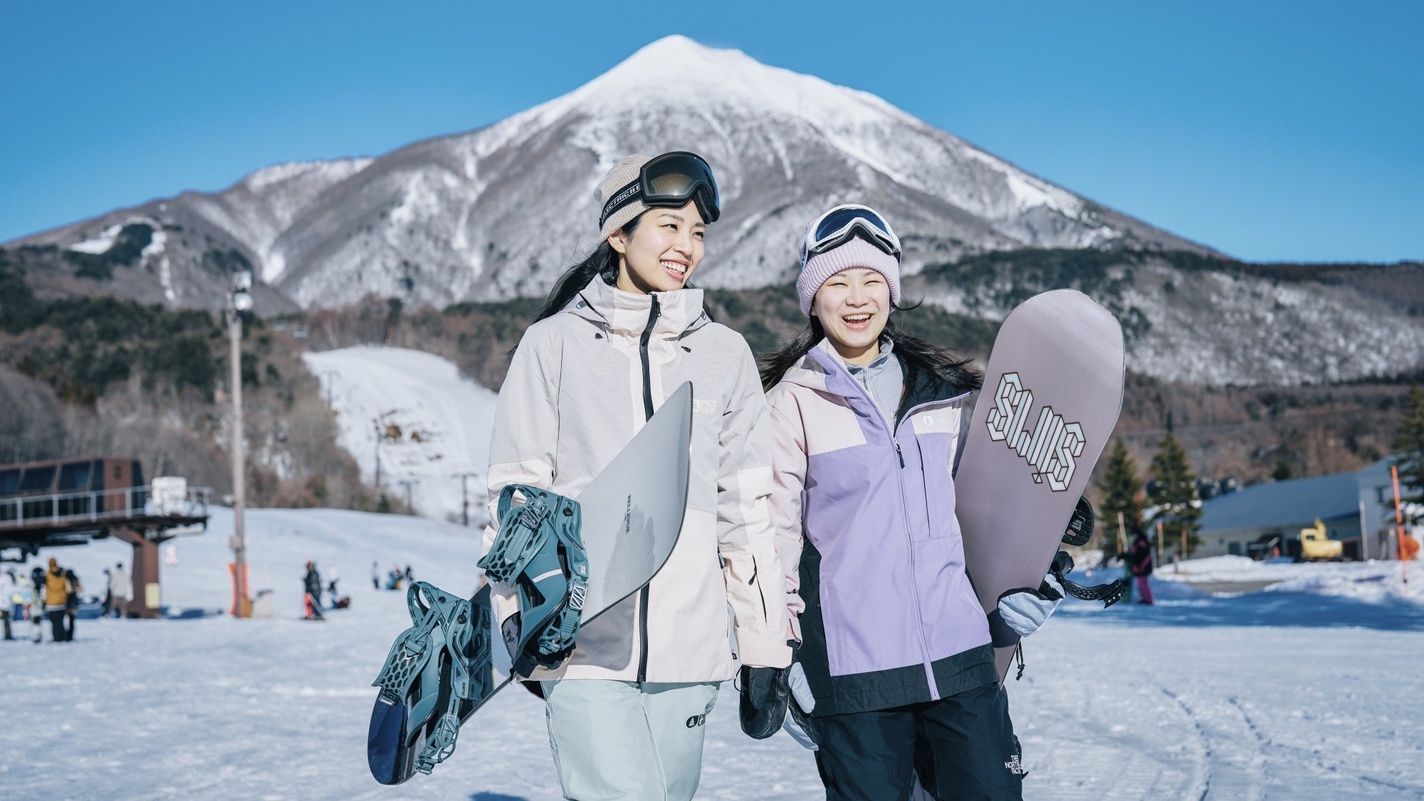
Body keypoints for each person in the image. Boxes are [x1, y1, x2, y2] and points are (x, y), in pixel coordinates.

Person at [479, 151, 790, 801]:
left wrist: (764, 647)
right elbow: (515, 498)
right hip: (583, 646)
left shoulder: (724, 355)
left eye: (699, 232)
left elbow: (748, 511)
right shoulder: (552, 345)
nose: (687, 247)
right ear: (618, 234)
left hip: (691, 650)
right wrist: (516, 621)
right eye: (669, 226)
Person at [759, 204, 1064, 801]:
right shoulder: (791, 402)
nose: (857, 298)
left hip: (960, 660)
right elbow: (771, 540)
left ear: (892, 292)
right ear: (812, 299)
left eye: (872, 280)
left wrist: (1029, 573)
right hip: (854, 677)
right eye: (837, 282)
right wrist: (778, 654)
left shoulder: (943, 398)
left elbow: (982, 518)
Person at [43, 558, 72, 642]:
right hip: (62, 601)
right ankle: (62, 636)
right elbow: (68, 588)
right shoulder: (63, 575)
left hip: (51, 603)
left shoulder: (47, 575)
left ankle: (56, 638)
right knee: (61, 621)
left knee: (54, 622)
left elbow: (44, 588)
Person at [1127, 529, 1155, 605]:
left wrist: (1140, 566)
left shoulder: (1141, 544)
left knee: (1143, 584)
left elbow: (1142, 556)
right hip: (1139, 567)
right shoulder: (1138, 543)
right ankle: (1144, 598)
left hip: (1143, 567)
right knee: (1140, 584)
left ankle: (1149, 599)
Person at [63, 568, 82, 641]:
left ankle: (66, 635)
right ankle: (70, 635)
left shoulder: (65, 580)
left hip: (66, 602)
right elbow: (80, 589)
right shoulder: (75, 580)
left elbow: (69, 590)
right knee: (71, 621)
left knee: (65, 620)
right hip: (73, 602)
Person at [0, 568, 15, 640]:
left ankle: (7, 635)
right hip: (6, 602)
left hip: (4, 602)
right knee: (7, 620)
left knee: (6, 620)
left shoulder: (4, 579)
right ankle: (8, 635)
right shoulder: (7, 579)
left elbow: (6, 592)